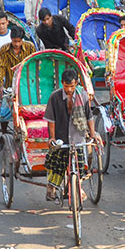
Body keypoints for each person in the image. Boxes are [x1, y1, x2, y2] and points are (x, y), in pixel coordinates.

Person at [43, 70, 102, 200]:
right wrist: (52, 138)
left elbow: (89, 116)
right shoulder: (55, 97)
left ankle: (77, 186)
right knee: (55, 164)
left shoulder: (83, 96)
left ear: (76, 84)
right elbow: (51, 120)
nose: (69, 89)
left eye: (72, 86)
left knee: (80, 166)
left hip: (78, 137)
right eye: (66, 86)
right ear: (62, 83)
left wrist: (92, 134)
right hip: (60, 137)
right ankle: (51, 187)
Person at [0, 28, 36, 127]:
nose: (17, 44)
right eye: (14, 41)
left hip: (26, 84)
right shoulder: (4, 49)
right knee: (4, 113)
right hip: (10, 85)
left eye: (19, 41)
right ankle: (4, 134)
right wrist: (0, 85)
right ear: (11, 39)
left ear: (22, 40)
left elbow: (33, 65)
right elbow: (1, 67)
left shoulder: (30, 47)